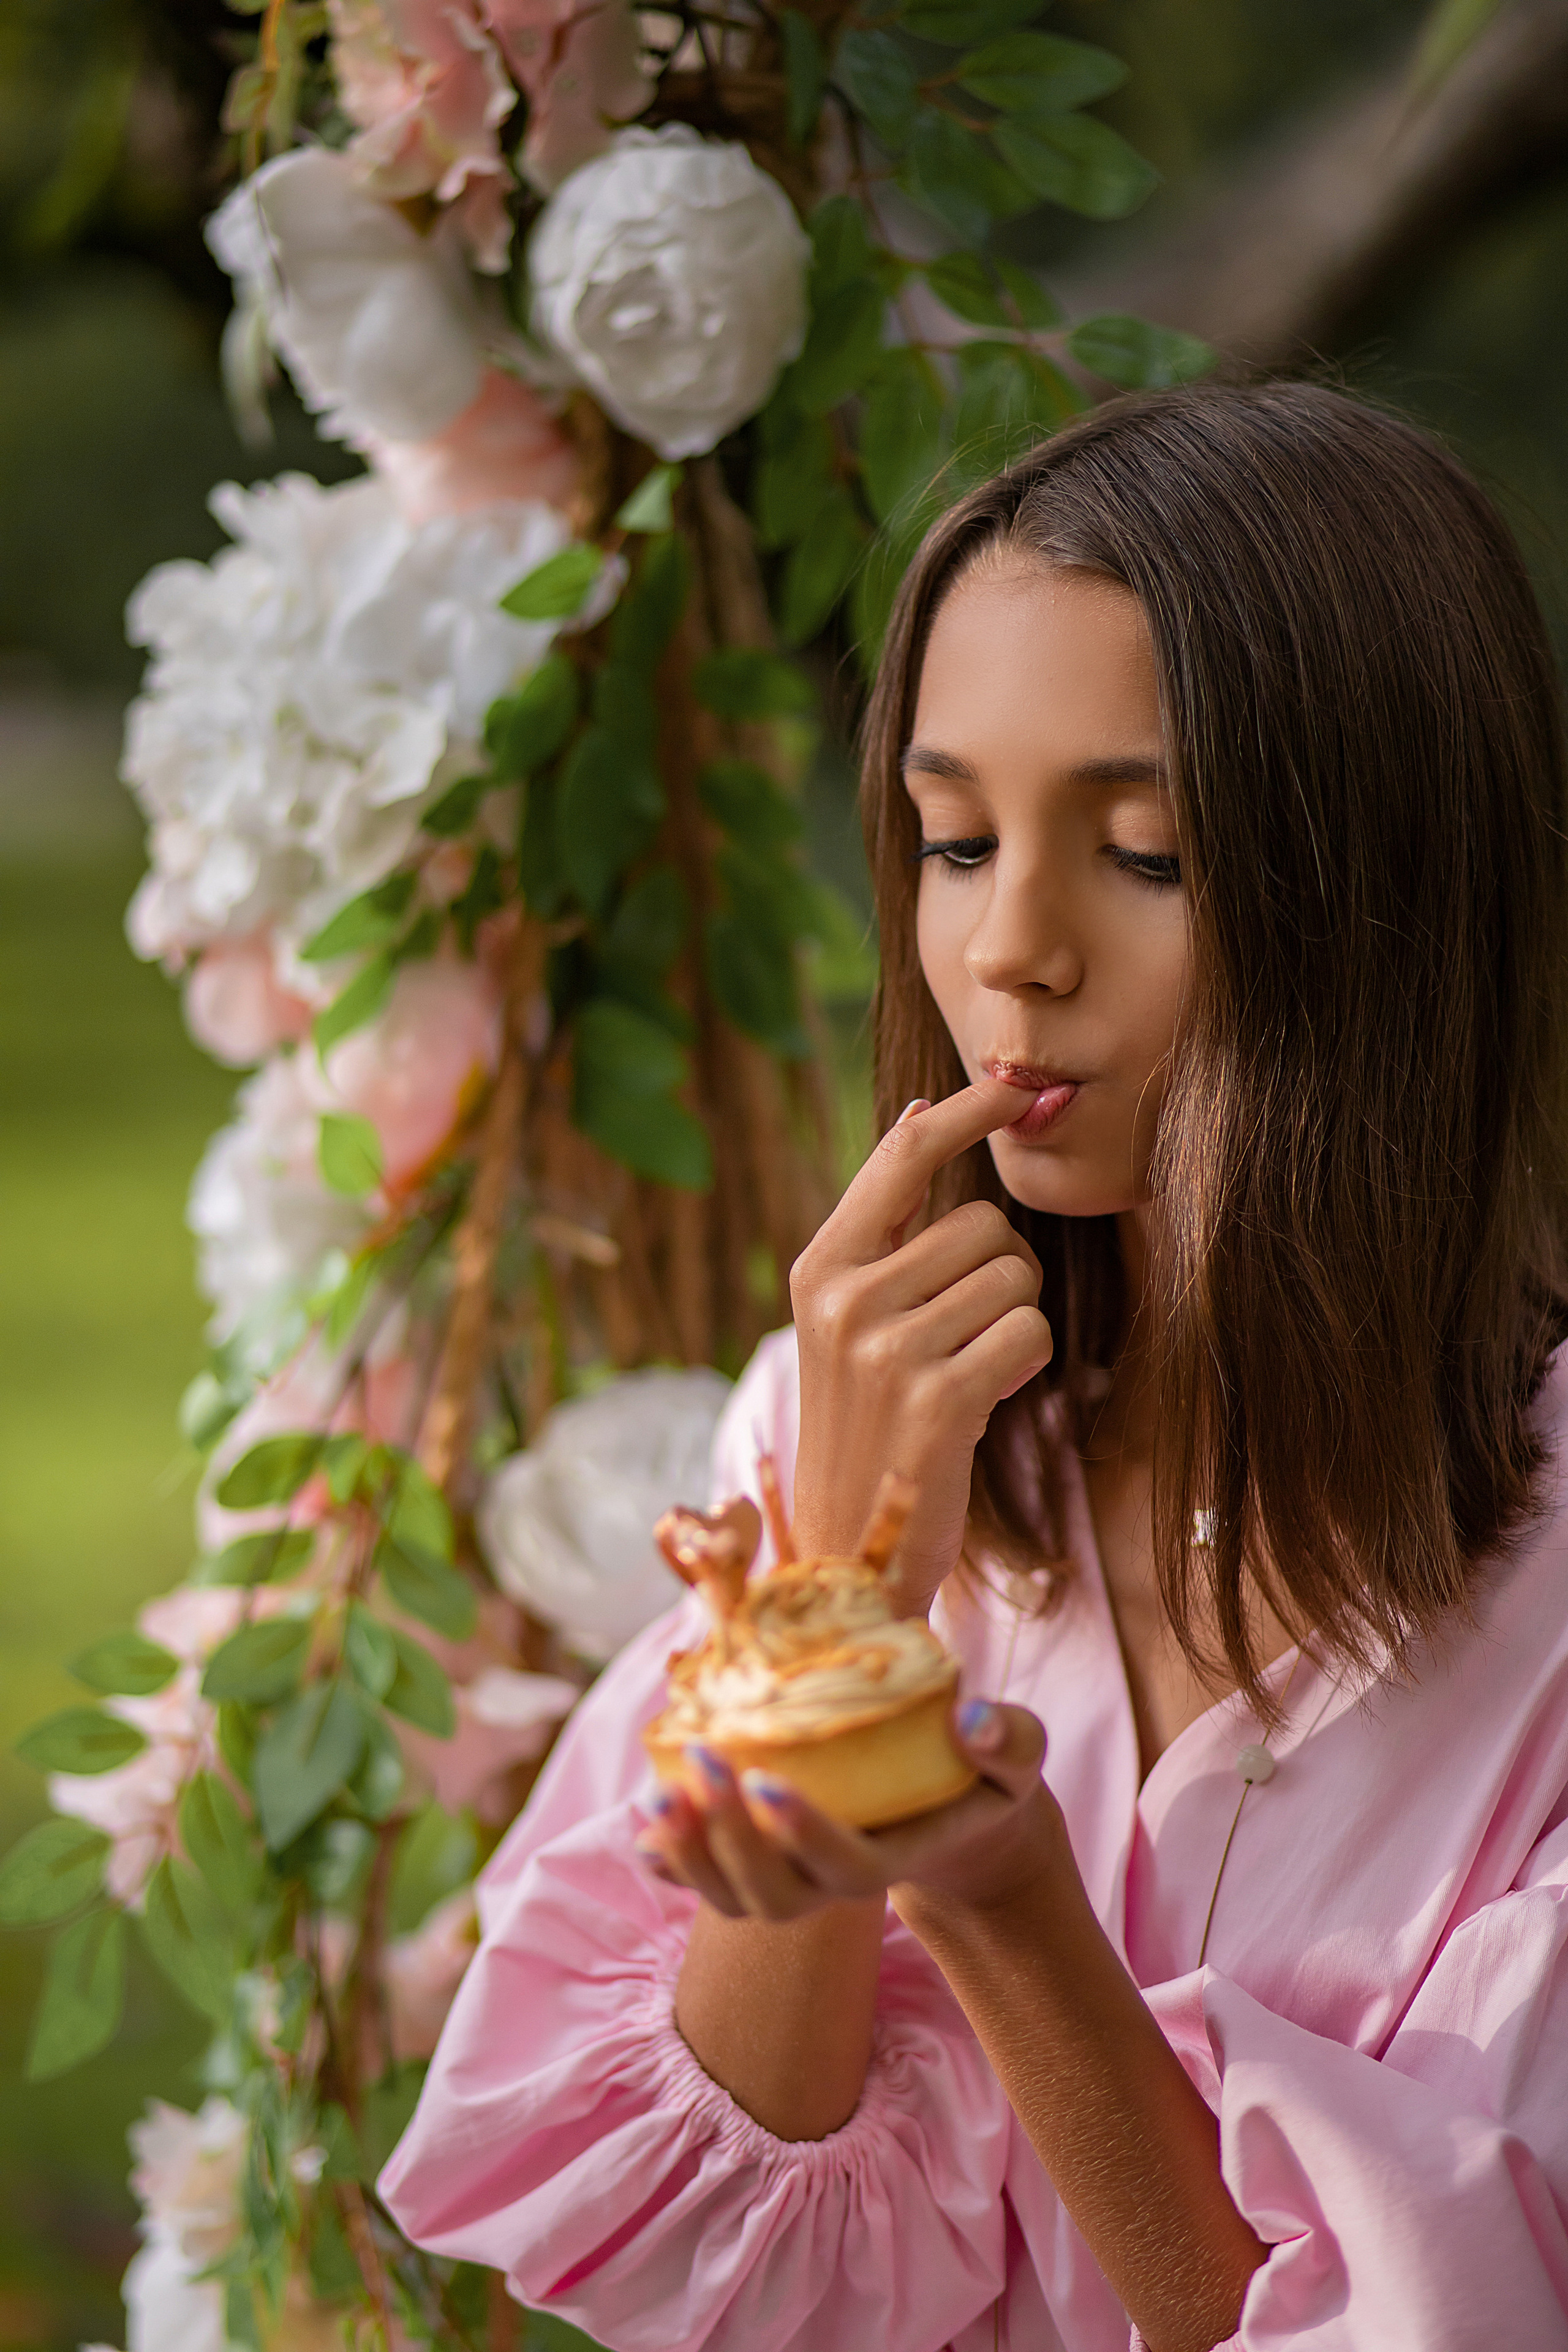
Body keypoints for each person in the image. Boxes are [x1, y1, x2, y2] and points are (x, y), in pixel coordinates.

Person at [379, 382, 1568, 2351]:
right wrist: (843, 1601)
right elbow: (719, 2264)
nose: (1011, 947)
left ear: (1393, 911)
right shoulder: (842, 1441)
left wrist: (1007, 1900)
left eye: (1150, 855)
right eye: (949, 838)